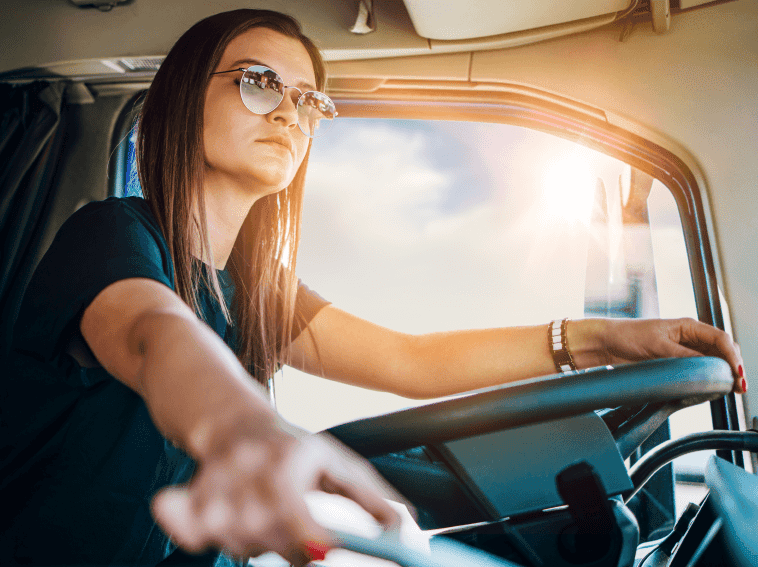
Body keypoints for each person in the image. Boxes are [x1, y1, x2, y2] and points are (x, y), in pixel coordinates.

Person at [0, 8, 747, 567]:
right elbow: (153, 334)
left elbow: (409, 359)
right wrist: (244, 430)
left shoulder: (254, 291)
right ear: (181, 98)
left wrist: (598, 339)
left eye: (310, 99)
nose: (292, 111)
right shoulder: (112, 236)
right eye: (261, 83)